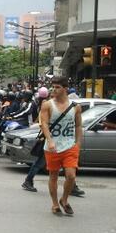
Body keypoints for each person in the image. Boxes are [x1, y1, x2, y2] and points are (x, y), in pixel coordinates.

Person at [40, 76, 82, 215]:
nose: (54, 90)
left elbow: (78, 125)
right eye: (53, 87)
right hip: (52, 147)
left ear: (65, 89)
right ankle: (55, 204)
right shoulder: (47, 105)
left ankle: (64, 199)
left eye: (58, 87)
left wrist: (78, 143)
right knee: (53, 175)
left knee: (71, 176)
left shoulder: (76, 107)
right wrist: (50, 140)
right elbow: (44, 124)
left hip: (70, 146)